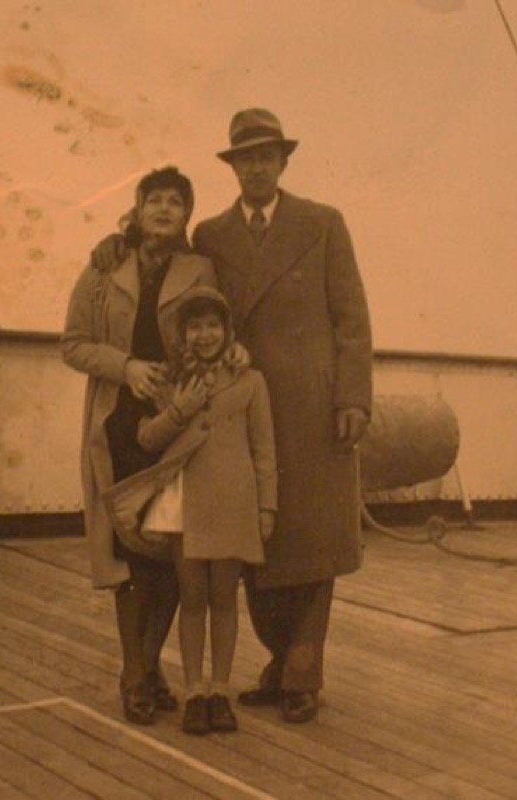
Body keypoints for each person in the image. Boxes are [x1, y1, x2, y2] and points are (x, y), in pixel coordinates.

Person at [92, 108, 373, 723]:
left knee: (313, 539)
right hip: (233, 406)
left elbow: (352, 318)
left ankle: (303, 667)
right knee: (255, 544)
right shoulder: (214, 234)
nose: (256, 167)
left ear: (283, 161)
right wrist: (117, 240)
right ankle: (280, 660)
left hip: (312, 406)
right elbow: (170, 263)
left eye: (266, 156)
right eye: (245, 157)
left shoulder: (324, 224)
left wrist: (353, 397)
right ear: (233, 166)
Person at [62, 166, 217, 725]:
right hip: (119, 424)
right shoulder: (104, 268)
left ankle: (143, 668)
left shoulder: (202, 269)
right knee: (128, 550)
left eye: (177, 201)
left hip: (176, 426)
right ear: (139, 207)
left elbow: (215, 332)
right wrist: (125, 367)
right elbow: (73, 343)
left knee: (174, 549)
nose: (165, 209)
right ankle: (138, 673)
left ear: (186, 216)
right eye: (155, 199)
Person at [134, 287, 277, 734]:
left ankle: (220, 691)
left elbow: (264, 448)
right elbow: (148, 439)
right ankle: (194, 690)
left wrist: (267, 507)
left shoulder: (251, 381)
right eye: (194, 326)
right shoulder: (172, 381)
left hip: (235, 502)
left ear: (227, 329)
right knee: (192, 600)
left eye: (213, 325)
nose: (204, 334)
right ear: (182, 334)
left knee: (224, 600)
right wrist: (181, 409)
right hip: (187, 505)